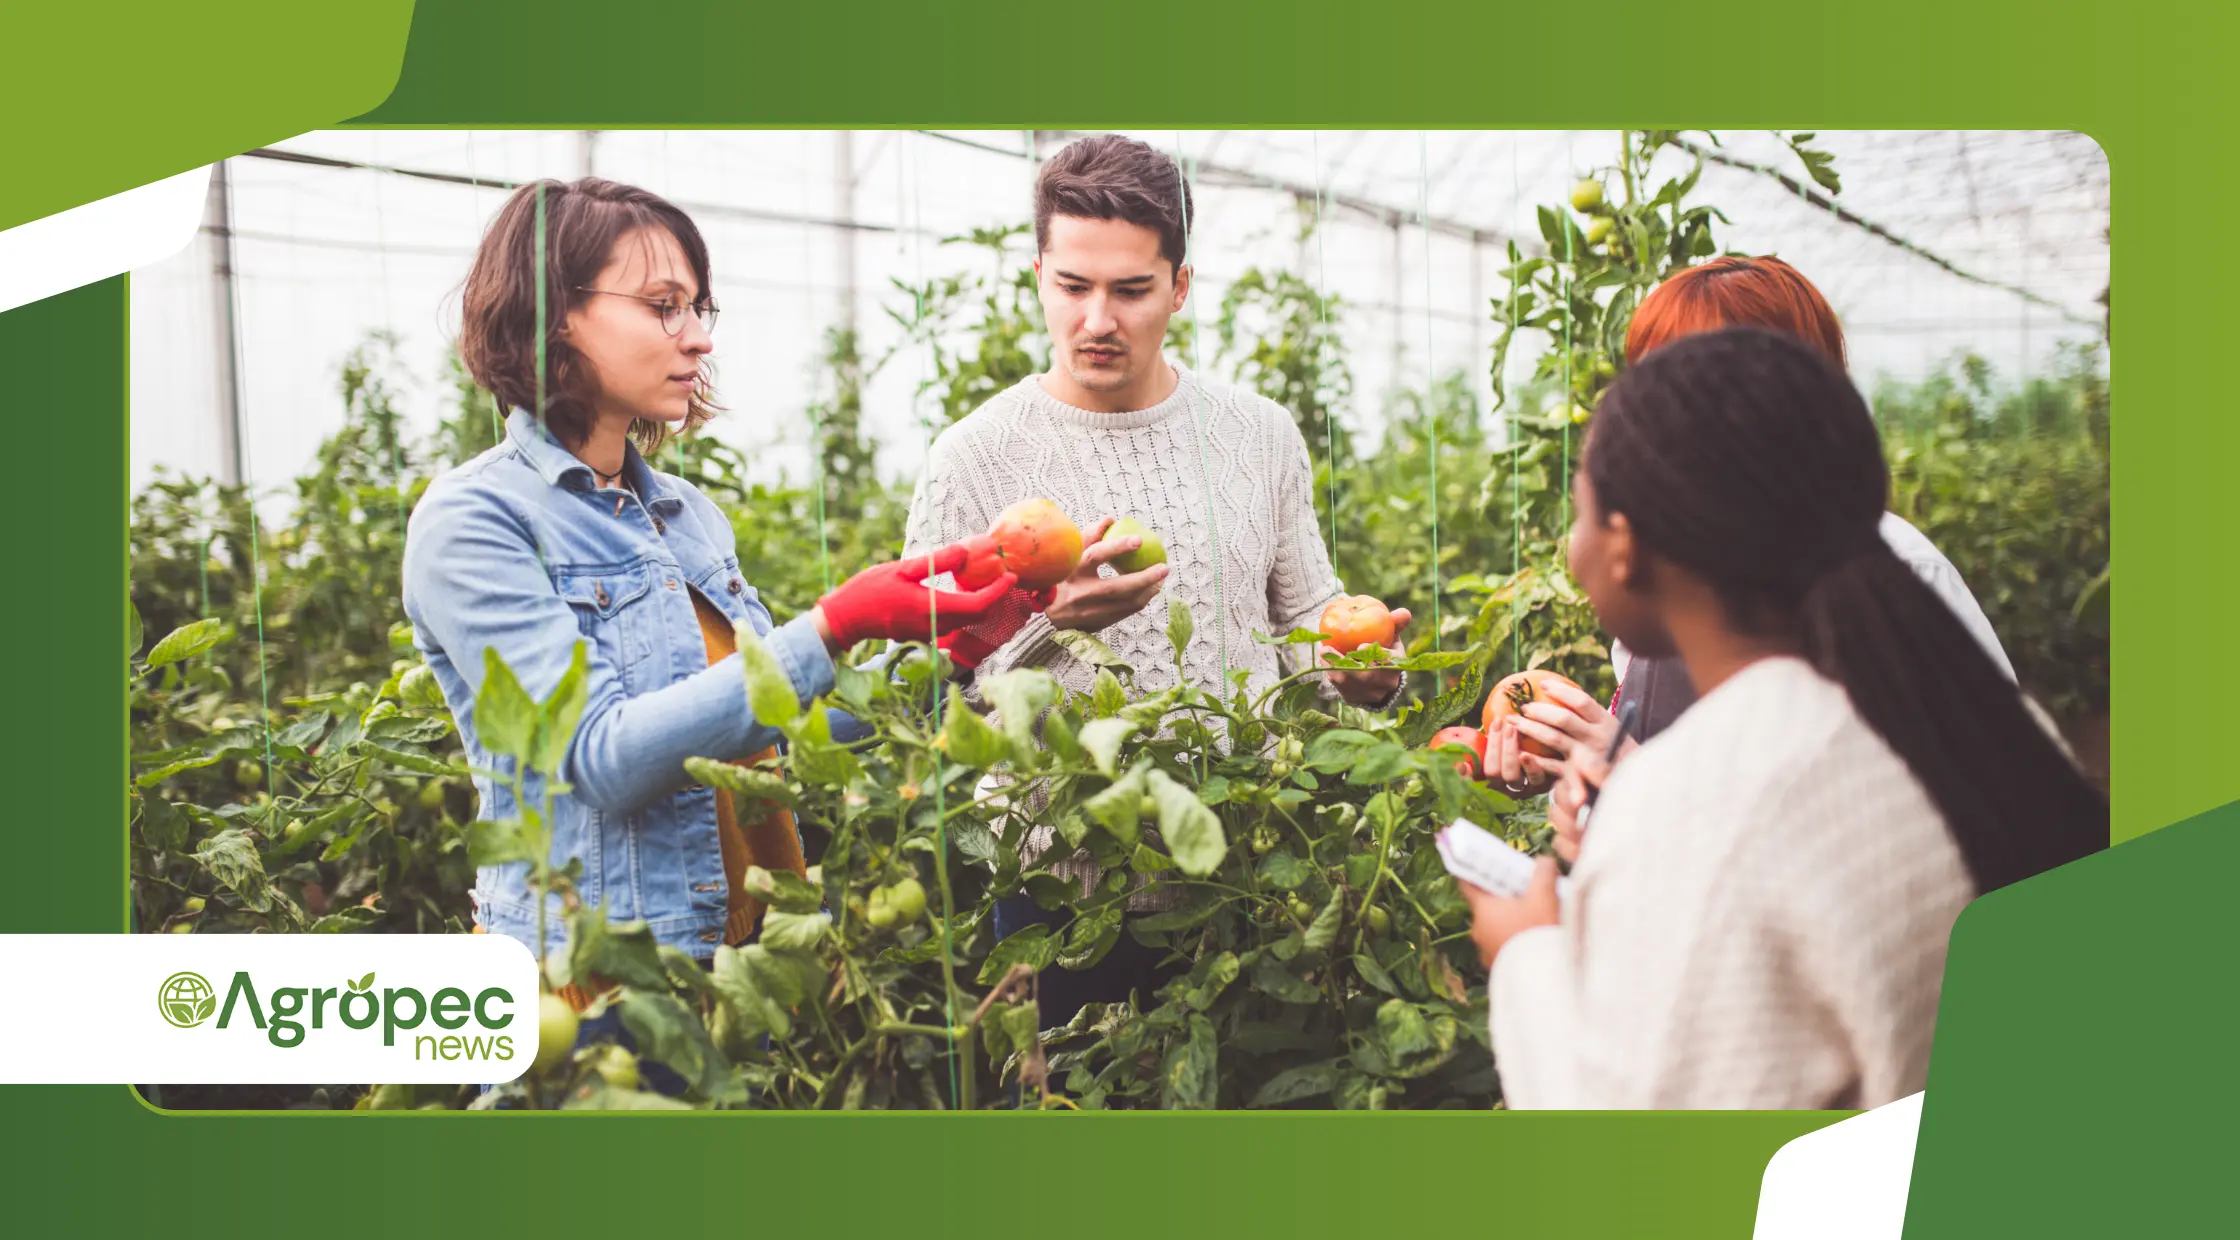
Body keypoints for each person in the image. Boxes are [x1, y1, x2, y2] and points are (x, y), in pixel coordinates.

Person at [402, 178, 1024, 1087]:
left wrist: (953, 655)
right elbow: (600, 758)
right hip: (593, 989)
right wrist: (835, 623)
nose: (698, 336)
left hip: (737, 969)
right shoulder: (474, 522)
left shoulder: (686, 516)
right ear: (554, 314)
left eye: (700, 307)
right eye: (663, 306)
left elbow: (778, 734)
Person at [1458, 327, 2105, 1108]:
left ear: (1624, 546)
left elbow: (1639, 1139)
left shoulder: (1700, 796)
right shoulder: (1983, 718)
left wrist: (1524, 951)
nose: (1573, 544)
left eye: (1580, 513)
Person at [902, 134, 1407, 1020]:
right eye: (1073, 287)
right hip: (1061, 892)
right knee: (1068, 1098)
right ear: (1038, 276)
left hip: (1246, 866)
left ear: (1179, 286)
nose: (1098, 320)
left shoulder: (1258, 435)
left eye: (1132, 290)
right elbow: (930, 695)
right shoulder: (972, 460)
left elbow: (1305, 617)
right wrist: (1052, 627)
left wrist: (1359, 672)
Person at [1487, 256, 2018, 800]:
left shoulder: (1901, 568)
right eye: (1647, 378)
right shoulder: (1669, 565)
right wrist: (1577, 771)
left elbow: (1971, 807)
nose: (1653, 411)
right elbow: (1658, 740)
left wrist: (1638, 781)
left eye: (1692, 381)